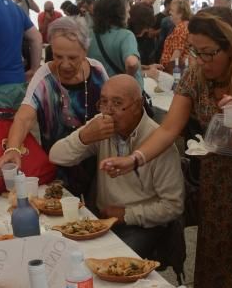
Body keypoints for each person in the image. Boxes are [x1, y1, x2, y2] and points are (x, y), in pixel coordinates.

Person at [98, 7, 232, 288]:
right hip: (213, 176)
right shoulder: (195, 75)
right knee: (211, 250)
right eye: (196, 51)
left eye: (208, 53)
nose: (201, 60)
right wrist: (135, 159)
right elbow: (169, 129)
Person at [49, 74, 184, 257]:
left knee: (110, 261)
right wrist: (84, 136)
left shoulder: (158, 141)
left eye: (117, 103)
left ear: (138, 105)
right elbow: (56, 156)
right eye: (103, 102)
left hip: (140, 224)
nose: (108, 111)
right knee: (61, 251)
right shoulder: (101, 126)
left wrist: (126, 215)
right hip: (100, 216)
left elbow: (173, 206)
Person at [0, 17, 108, 196]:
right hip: (58, 170)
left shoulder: (98, 71)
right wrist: (13, 148)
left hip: (98, 166)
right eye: (57, 56)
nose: (64, 64)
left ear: (85, 50)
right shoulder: (44, 77)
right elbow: (24, 117)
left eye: (72, 57)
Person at [87, 0, 143, 89]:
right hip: (125, 95)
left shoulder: (89, 35)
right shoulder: (126, 35)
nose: (129, 16)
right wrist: (125, 81)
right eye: (127, 11)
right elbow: (131, 63)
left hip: (100, 91)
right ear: (119, 13)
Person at [160, 0, 192, 70]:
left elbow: (176, 54)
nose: (169, 12)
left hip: (174, 71)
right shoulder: (186, 25)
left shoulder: (180, 28)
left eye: (172, 10)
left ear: (180, 13)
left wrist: (169, 71)